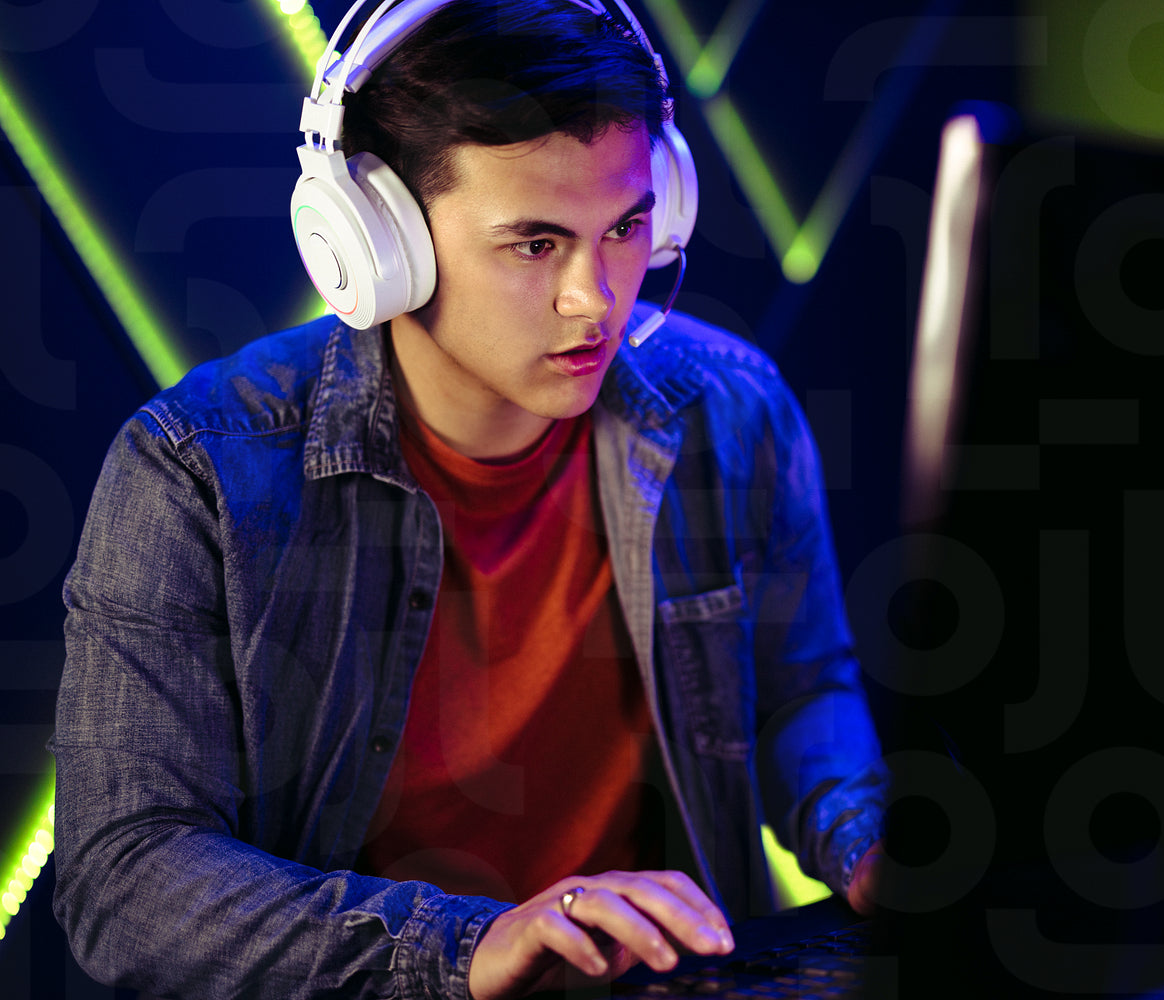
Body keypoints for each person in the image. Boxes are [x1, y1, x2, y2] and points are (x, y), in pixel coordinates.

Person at [49, 1, 887, 997]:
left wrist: (866, 836)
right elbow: (125, 876)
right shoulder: (199, 471)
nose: (596, 298)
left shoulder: (732, 410)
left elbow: (801, 694)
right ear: (377, 242)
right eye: (535, 244)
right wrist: (465, 947)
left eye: (626, 227)